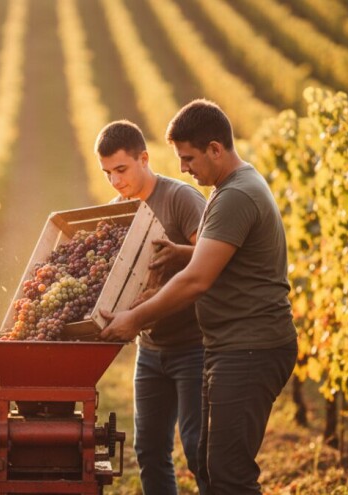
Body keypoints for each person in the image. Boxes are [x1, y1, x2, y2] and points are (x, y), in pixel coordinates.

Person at [100, 100, 297, 495]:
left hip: (249, 347)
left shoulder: (233, 196)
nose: (185, 168)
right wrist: (183, 254)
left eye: (189, 158)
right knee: (214, 461)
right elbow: (223, 258)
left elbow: (196, 281)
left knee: (229, 474)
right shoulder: (237, 188)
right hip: (234, 346)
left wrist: (134, 320)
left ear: (215, 149)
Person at [95, 120, 207, 495]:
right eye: (108, 173)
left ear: (144, 158)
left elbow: (216, 259)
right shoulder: (119, 209)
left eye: (121, 170)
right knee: (149, 450)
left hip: (194, 345)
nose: (115, 182)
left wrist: (176, 260)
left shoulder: (181, 199)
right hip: (151, 349)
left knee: (197, 448)